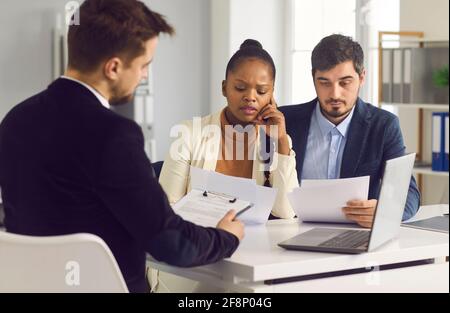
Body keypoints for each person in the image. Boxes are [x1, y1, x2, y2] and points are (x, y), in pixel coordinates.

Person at [0, 0, 243, 293]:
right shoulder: (114, 135)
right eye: (144, 65)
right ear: (113, 67)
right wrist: (226, 236)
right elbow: (172, 244)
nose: (144, 76)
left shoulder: (15, 120)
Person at [279, 34, 420, 228]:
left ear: (362, 77)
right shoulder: (285, 121)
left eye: (345, 82)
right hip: (288, 233)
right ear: (313, 78)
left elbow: (408, 193)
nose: (335, 94)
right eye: (324, 82)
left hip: (355, 237)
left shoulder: (384, 125)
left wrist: (384, 211)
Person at [159, 39, 299, 219]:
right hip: (202, 239)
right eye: (240, 88)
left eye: (262, 91)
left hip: (255, 243)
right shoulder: (189, 134)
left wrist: (280, 141)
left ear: (272, 94)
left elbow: (286, 211)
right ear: (224, 88)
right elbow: (166, 209)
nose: (250, 97)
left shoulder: (274, 141)